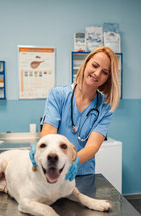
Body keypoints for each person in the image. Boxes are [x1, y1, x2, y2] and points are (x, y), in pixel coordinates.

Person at [40, 46, 120, 176]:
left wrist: (69, 162)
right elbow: (48, 132)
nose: (97, 73)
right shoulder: (58, 95)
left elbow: (92, 147)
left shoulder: (105, 107)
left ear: (108, 79)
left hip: (83, 173)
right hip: (54, 170)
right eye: (95, 65)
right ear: (86, 63)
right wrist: (54, 161)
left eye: (105, 72)